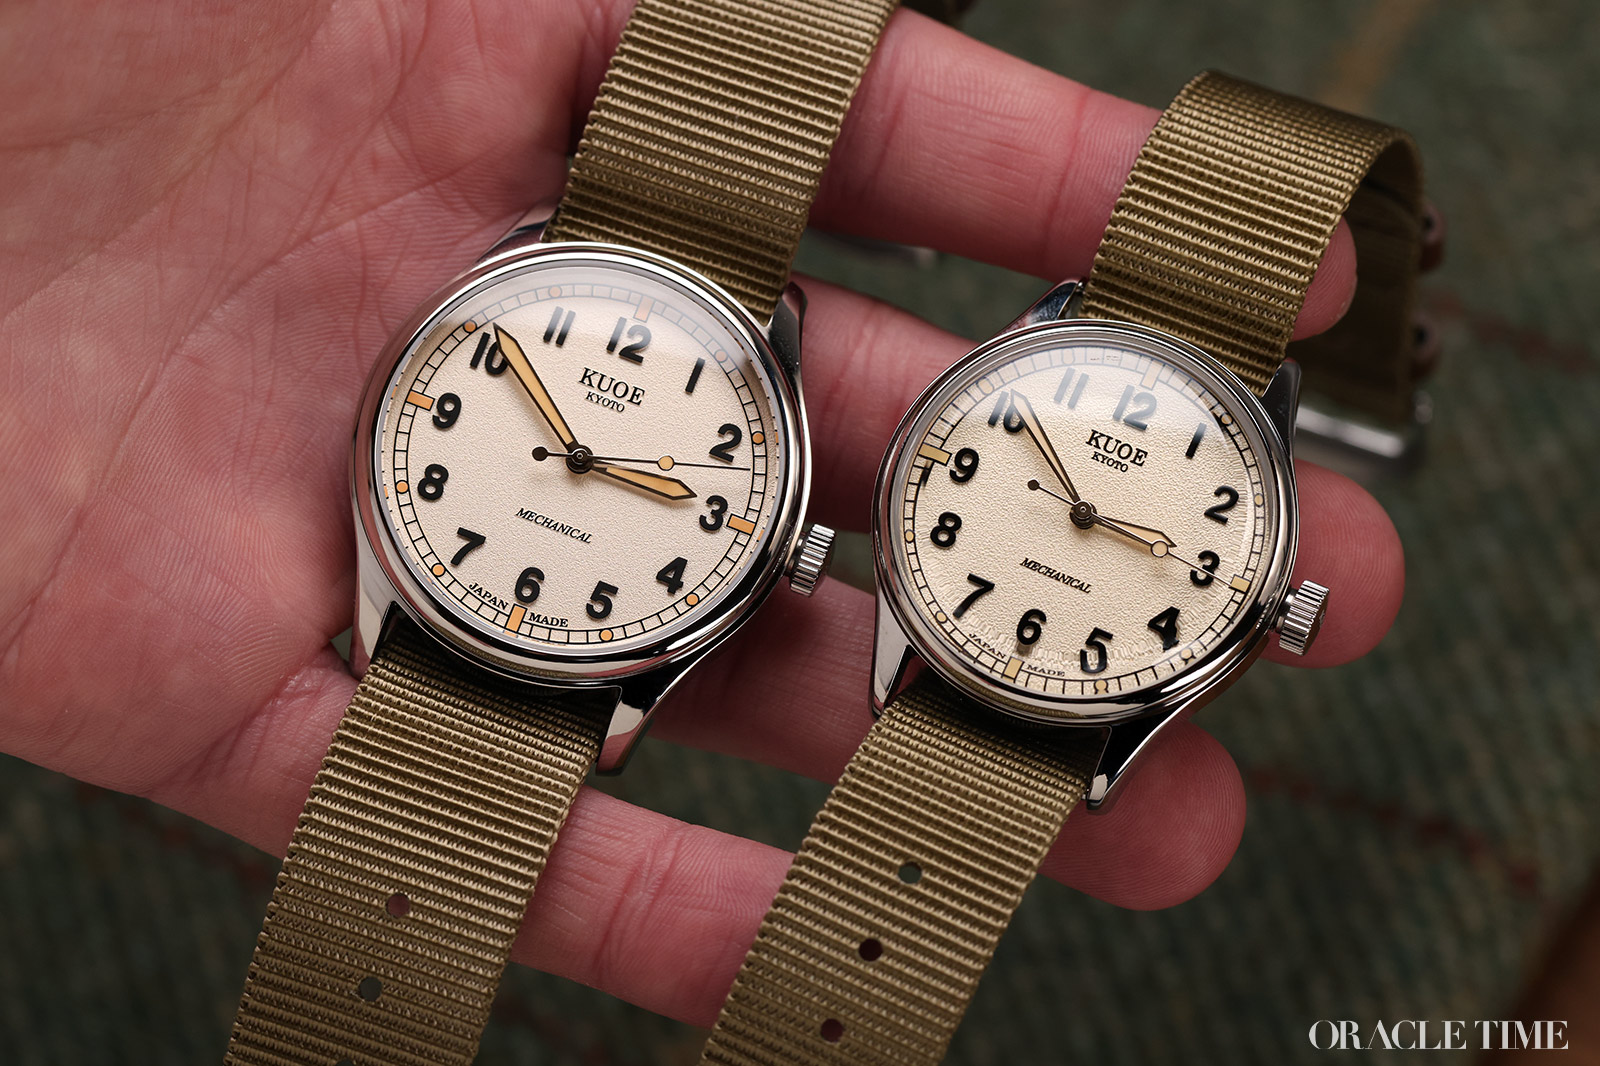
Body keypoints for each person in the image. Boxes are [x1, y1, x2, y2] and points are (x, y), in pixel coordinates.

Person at [0, 0, 1400, 1029]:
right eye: (577, 447)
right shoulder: (541, 326)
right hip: (461, 578)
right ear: (791, 540)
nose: (581, 459)